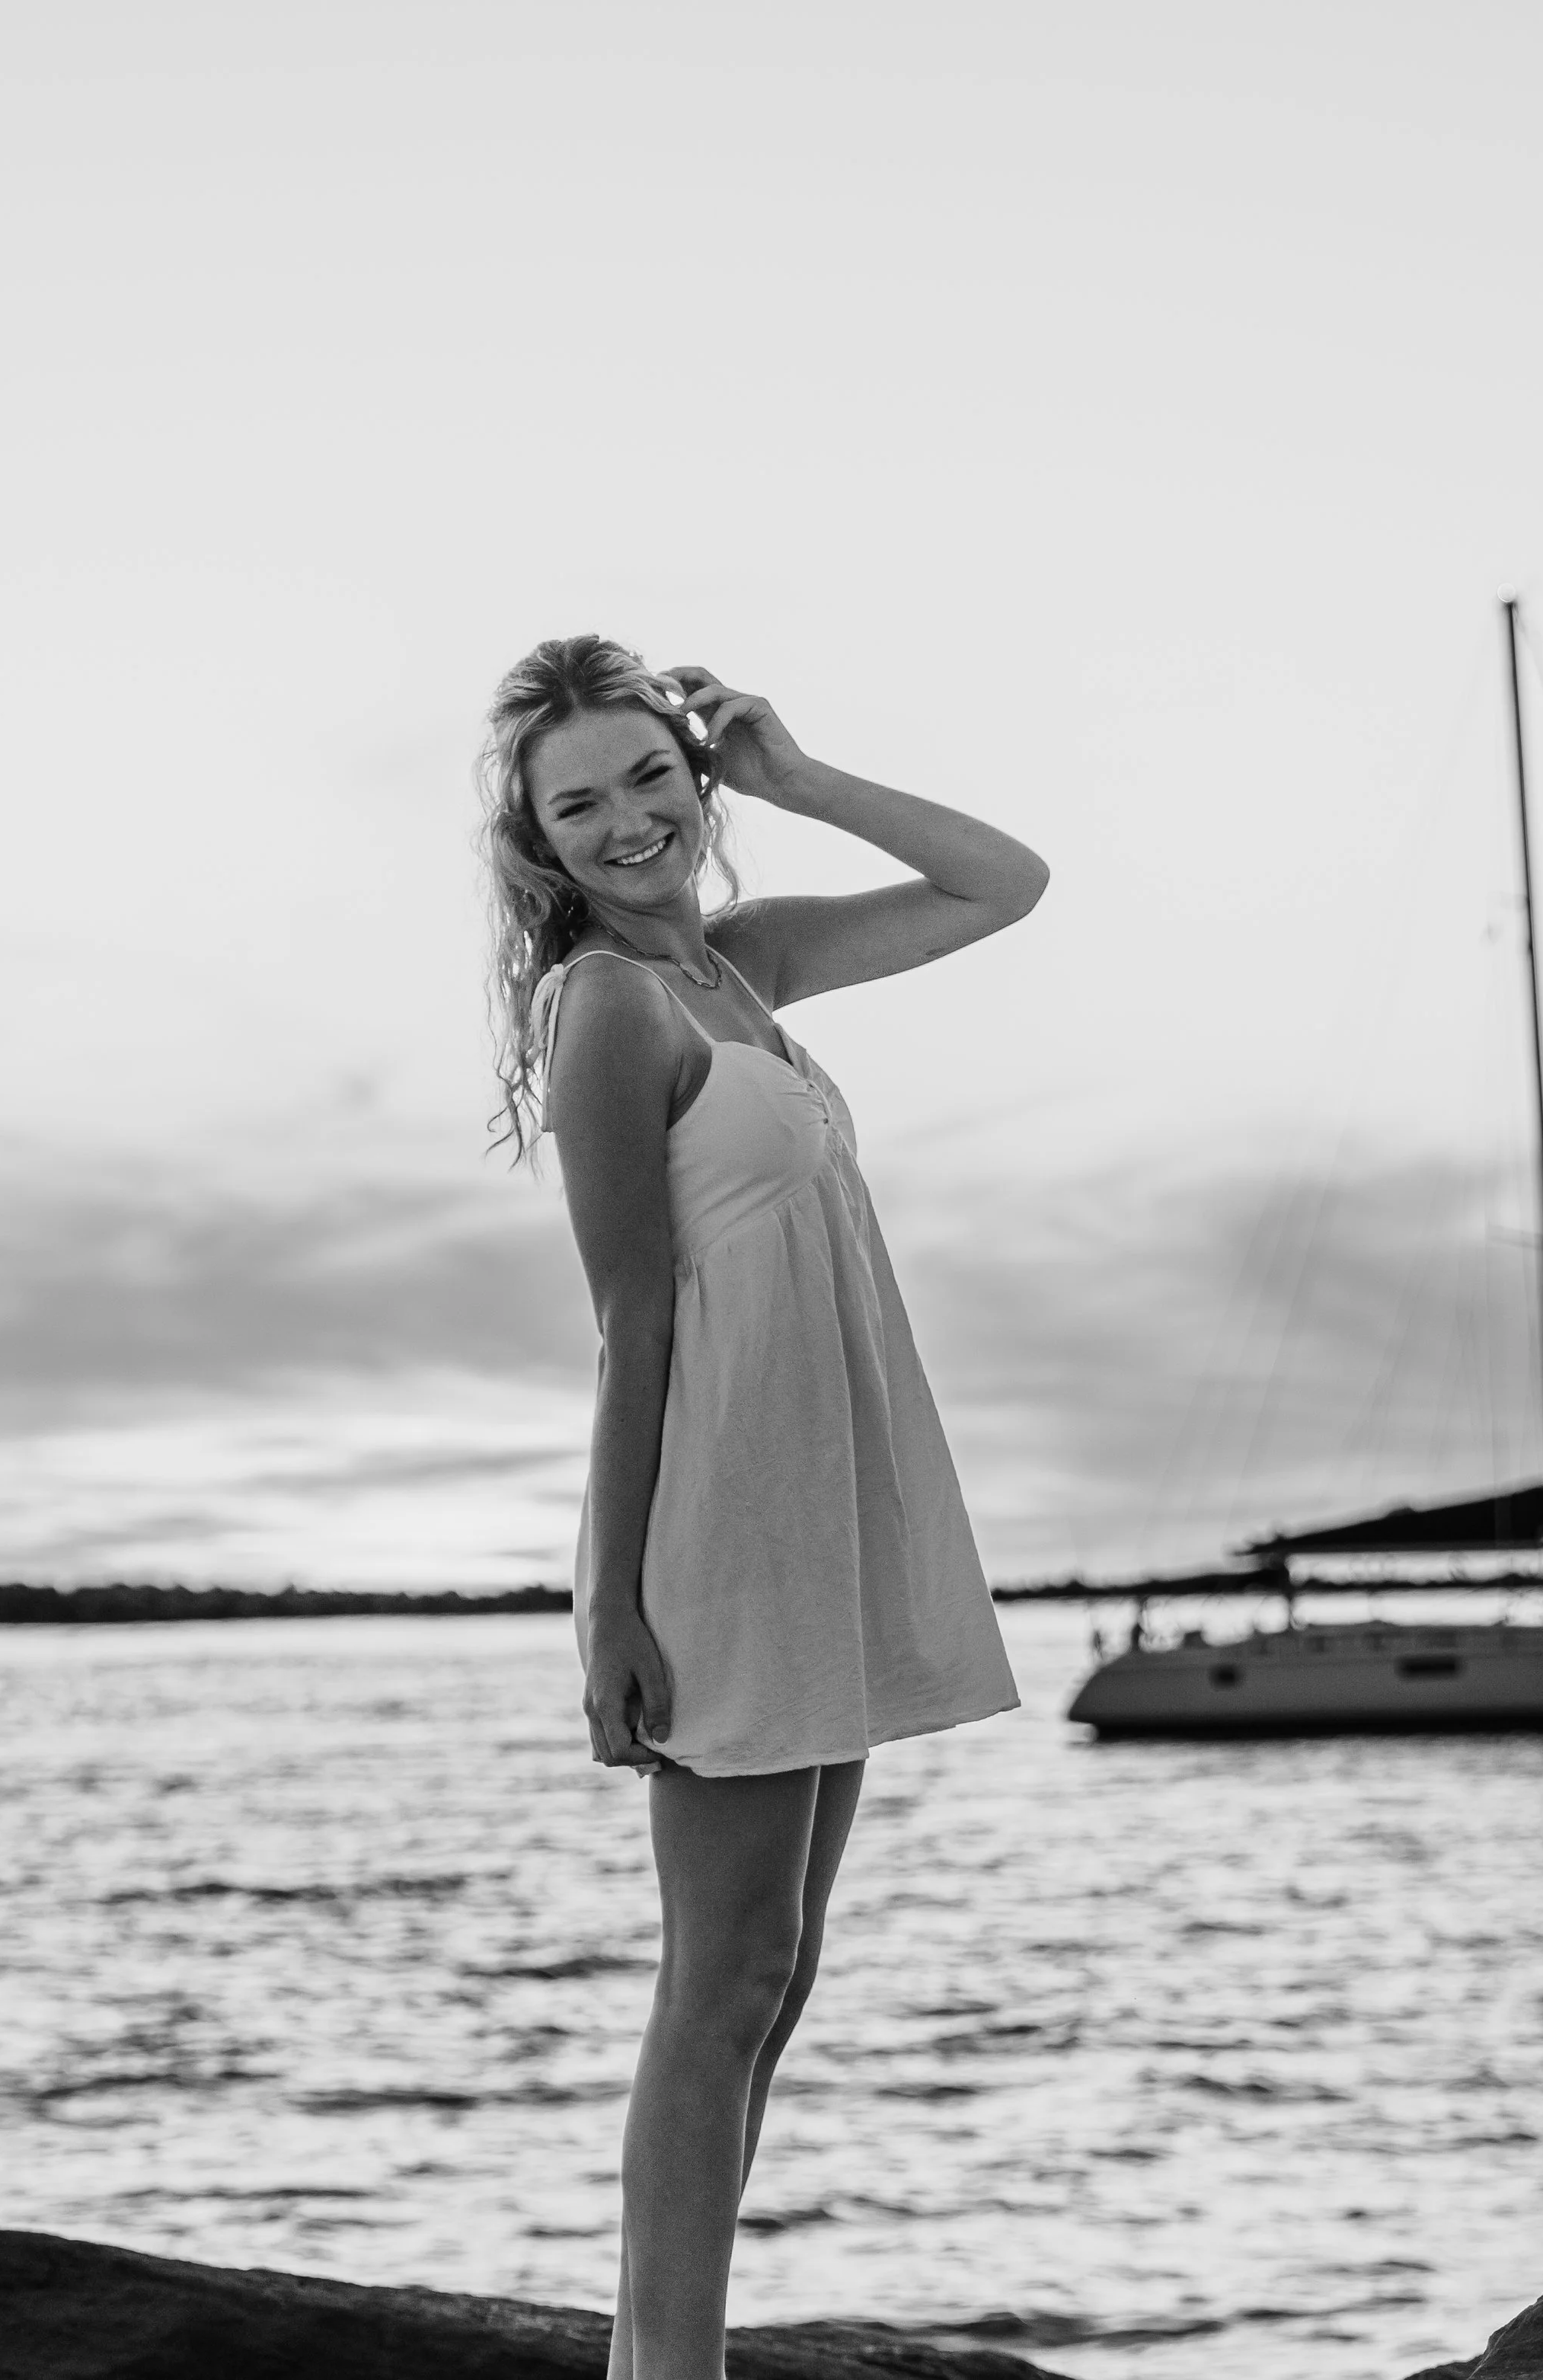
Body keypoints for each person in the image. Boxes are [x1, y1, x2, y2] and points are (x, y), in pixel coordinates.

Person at [477, 635, 1046, 2380]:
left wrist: (793, 773)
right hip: (718, 1519)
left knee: (772, 1970)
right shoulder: (608, 1009)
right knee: (717, 1978)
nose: (628, 820)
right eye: (579, 801)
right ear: (539, 841)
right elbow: (629, 1320)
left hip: (821, 1503)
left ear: (693, 772)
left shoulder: (746, 966)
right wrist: (608, 1603)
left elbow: (1002, 883)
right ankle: (664, 2369)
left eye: (650, 775)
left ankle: (676, 2351)